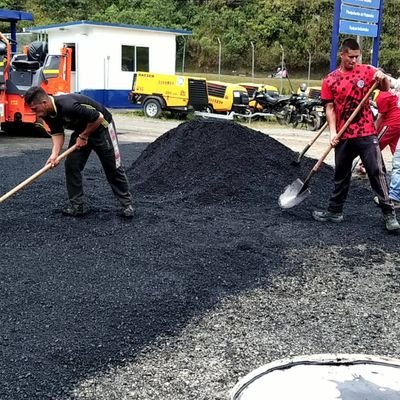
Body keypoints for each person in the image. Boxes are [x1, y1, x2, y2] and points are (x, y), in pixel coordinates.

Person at [312, 38, 400, 232]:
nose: (354, 60)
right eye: (350, 57)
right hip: (344, 135)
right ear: (342, 55)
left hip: (366, 132)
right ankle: (334, 212)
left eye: (357, 56)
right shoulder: (330, 80)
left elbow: (385, 87)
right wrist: (333, 133)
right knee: (341, 175)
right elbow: (330, 109)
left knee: (377, 171)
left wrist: (381, 76)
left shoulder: (366, 70)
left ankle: (389, 215)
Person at [24, 86, 135, 218]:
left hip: (102, 128)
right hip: (81, 129)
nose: (35, 113)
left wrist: (84, 136)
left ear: (44, 103)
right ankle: (78, 206)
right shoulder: (47, 113)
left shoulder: (68, 106)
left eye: (35, 109)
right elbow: (57, 133)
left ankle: (126, 205)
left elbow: (98, 118)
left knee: (112, 166)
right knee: (72, 166)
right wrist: (55, 154)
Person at [372, 88, 400, 208]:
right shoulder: (391, 94)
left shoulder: (383, 95)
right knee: (397, 153)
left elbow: (380, 116)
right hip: (397, 124)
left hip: (391, 124)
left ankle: (395, 197)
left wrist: (372, 131)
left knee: (374, 145)